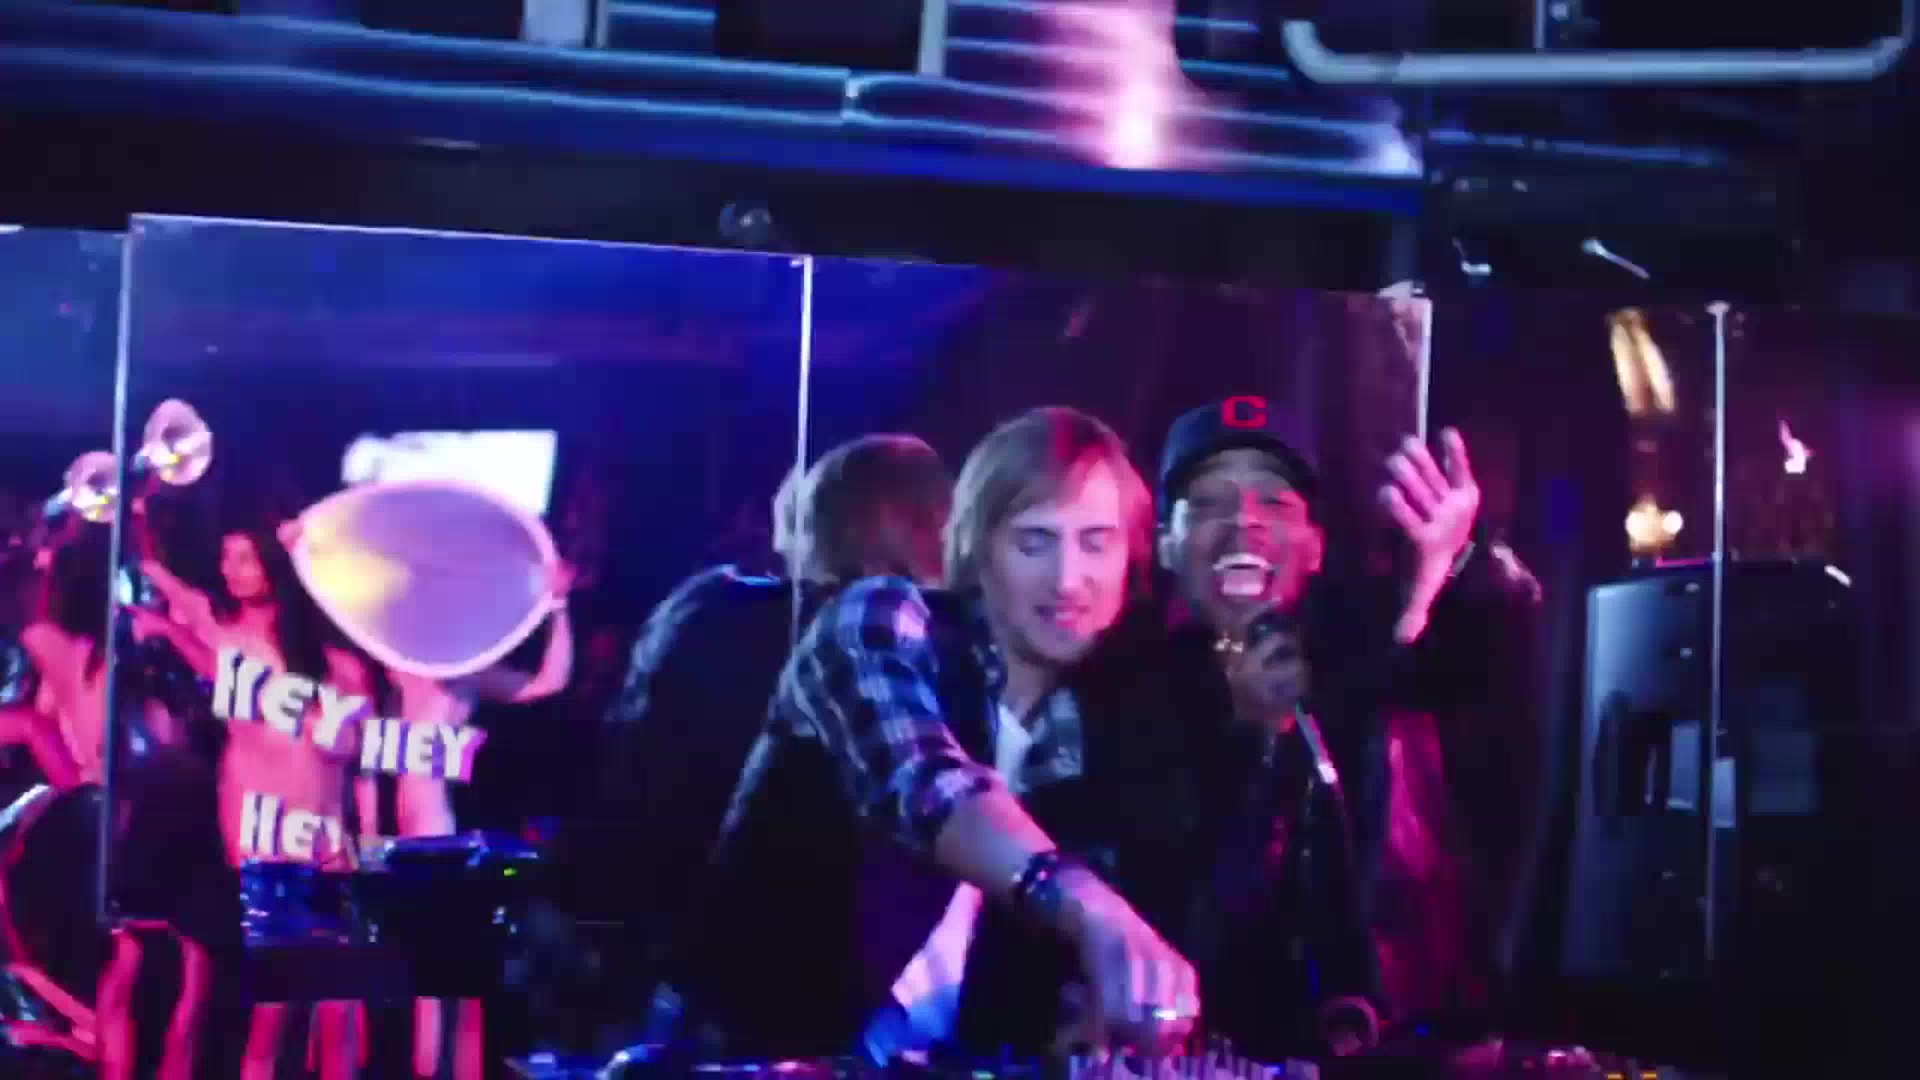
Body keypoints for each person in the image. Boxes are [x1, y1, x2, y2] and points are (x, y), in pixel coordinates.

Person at [644, 407, 1198, 1062]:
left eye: (1097, 543)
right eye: (1034, 542)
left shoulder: (1091, 731)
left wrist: (1086, 1011)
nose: (1068, 579)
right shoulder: (882, 619)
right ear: (976, 550)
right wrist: (1088, 907)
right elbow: (926, 784)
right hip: (735, 1056)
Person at [1145, 398, 1538, 1059]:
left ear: (1316, 547)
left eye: (1275, 503)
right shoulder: (1130, 698)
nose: (1243, 520)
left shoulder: (1370, 660)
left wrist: (1456, 560)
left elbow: (1483, 648)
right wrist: (1257, 739)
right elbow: (1194, 926)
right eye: (1208, 503)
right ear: (1166, 545)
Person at [556, 436, 952, 1039]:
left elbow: (631, 790)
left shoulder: (714, 612)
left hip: (702, 972)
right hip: (813, 990)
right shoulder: (944, 646)